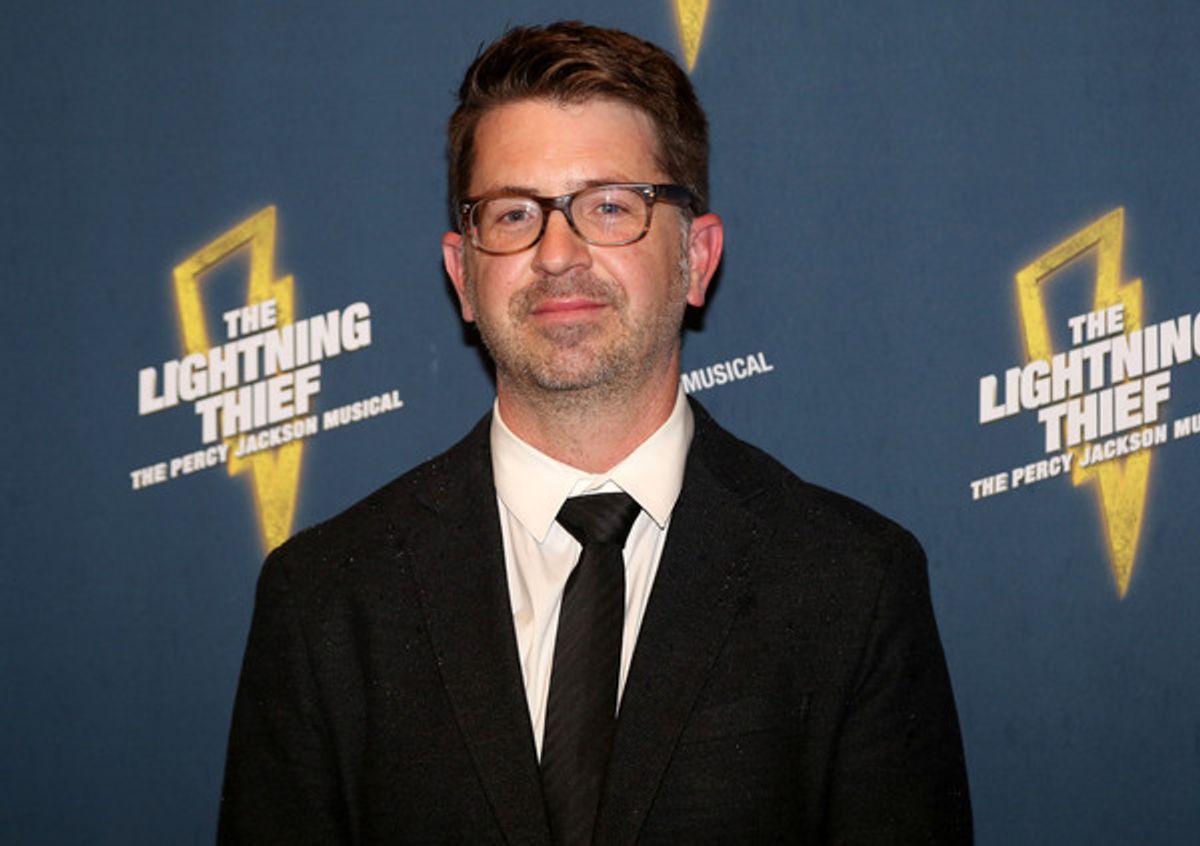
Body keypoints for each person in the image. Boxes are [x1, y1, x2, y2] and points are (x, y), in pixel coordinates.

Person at [219, 21, 972, 844]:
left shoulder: (850, 585)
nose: (557, 253)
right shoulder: (325, 600)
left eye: (611, 206)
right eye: (513, 214)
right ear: (462, 273)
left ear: (698, 257)